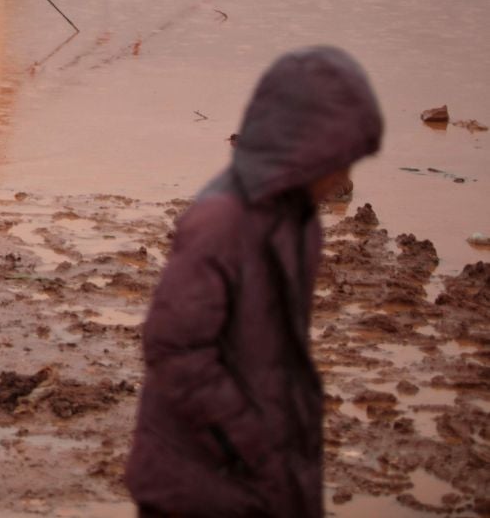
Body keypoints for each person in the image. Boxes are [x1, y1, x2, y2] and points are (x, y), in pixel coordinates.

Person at [125, 46, 384, 518]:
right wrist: (254, 443)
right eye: (339, 158)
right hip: (198, 484)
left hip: (260, 475)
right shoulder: (220, 222)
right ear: (303, 147)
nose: (344, 177)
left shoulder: (300, 222)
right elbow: (174, 351)